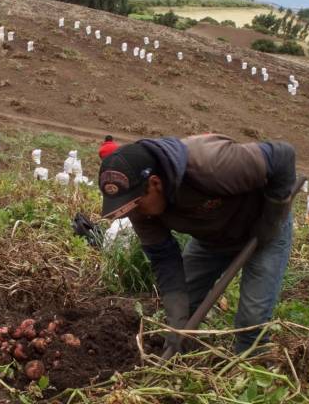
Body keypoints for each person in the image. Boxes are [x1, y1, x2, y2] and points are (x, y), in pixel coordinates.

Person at [97, 134, 297, 354]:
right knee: (183, 312)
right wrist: (176, 323)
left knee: (252, 318)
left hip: (262, 232)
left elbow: (283, 156)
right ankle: (182, 364)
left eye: (135, 205)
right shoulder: (139, 210)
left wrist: (272, 217)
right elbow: (164, 259)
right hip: (211, 240)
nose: (133, 213)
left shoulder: (209, 163)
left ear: (155, 183)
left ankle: (252, 371)